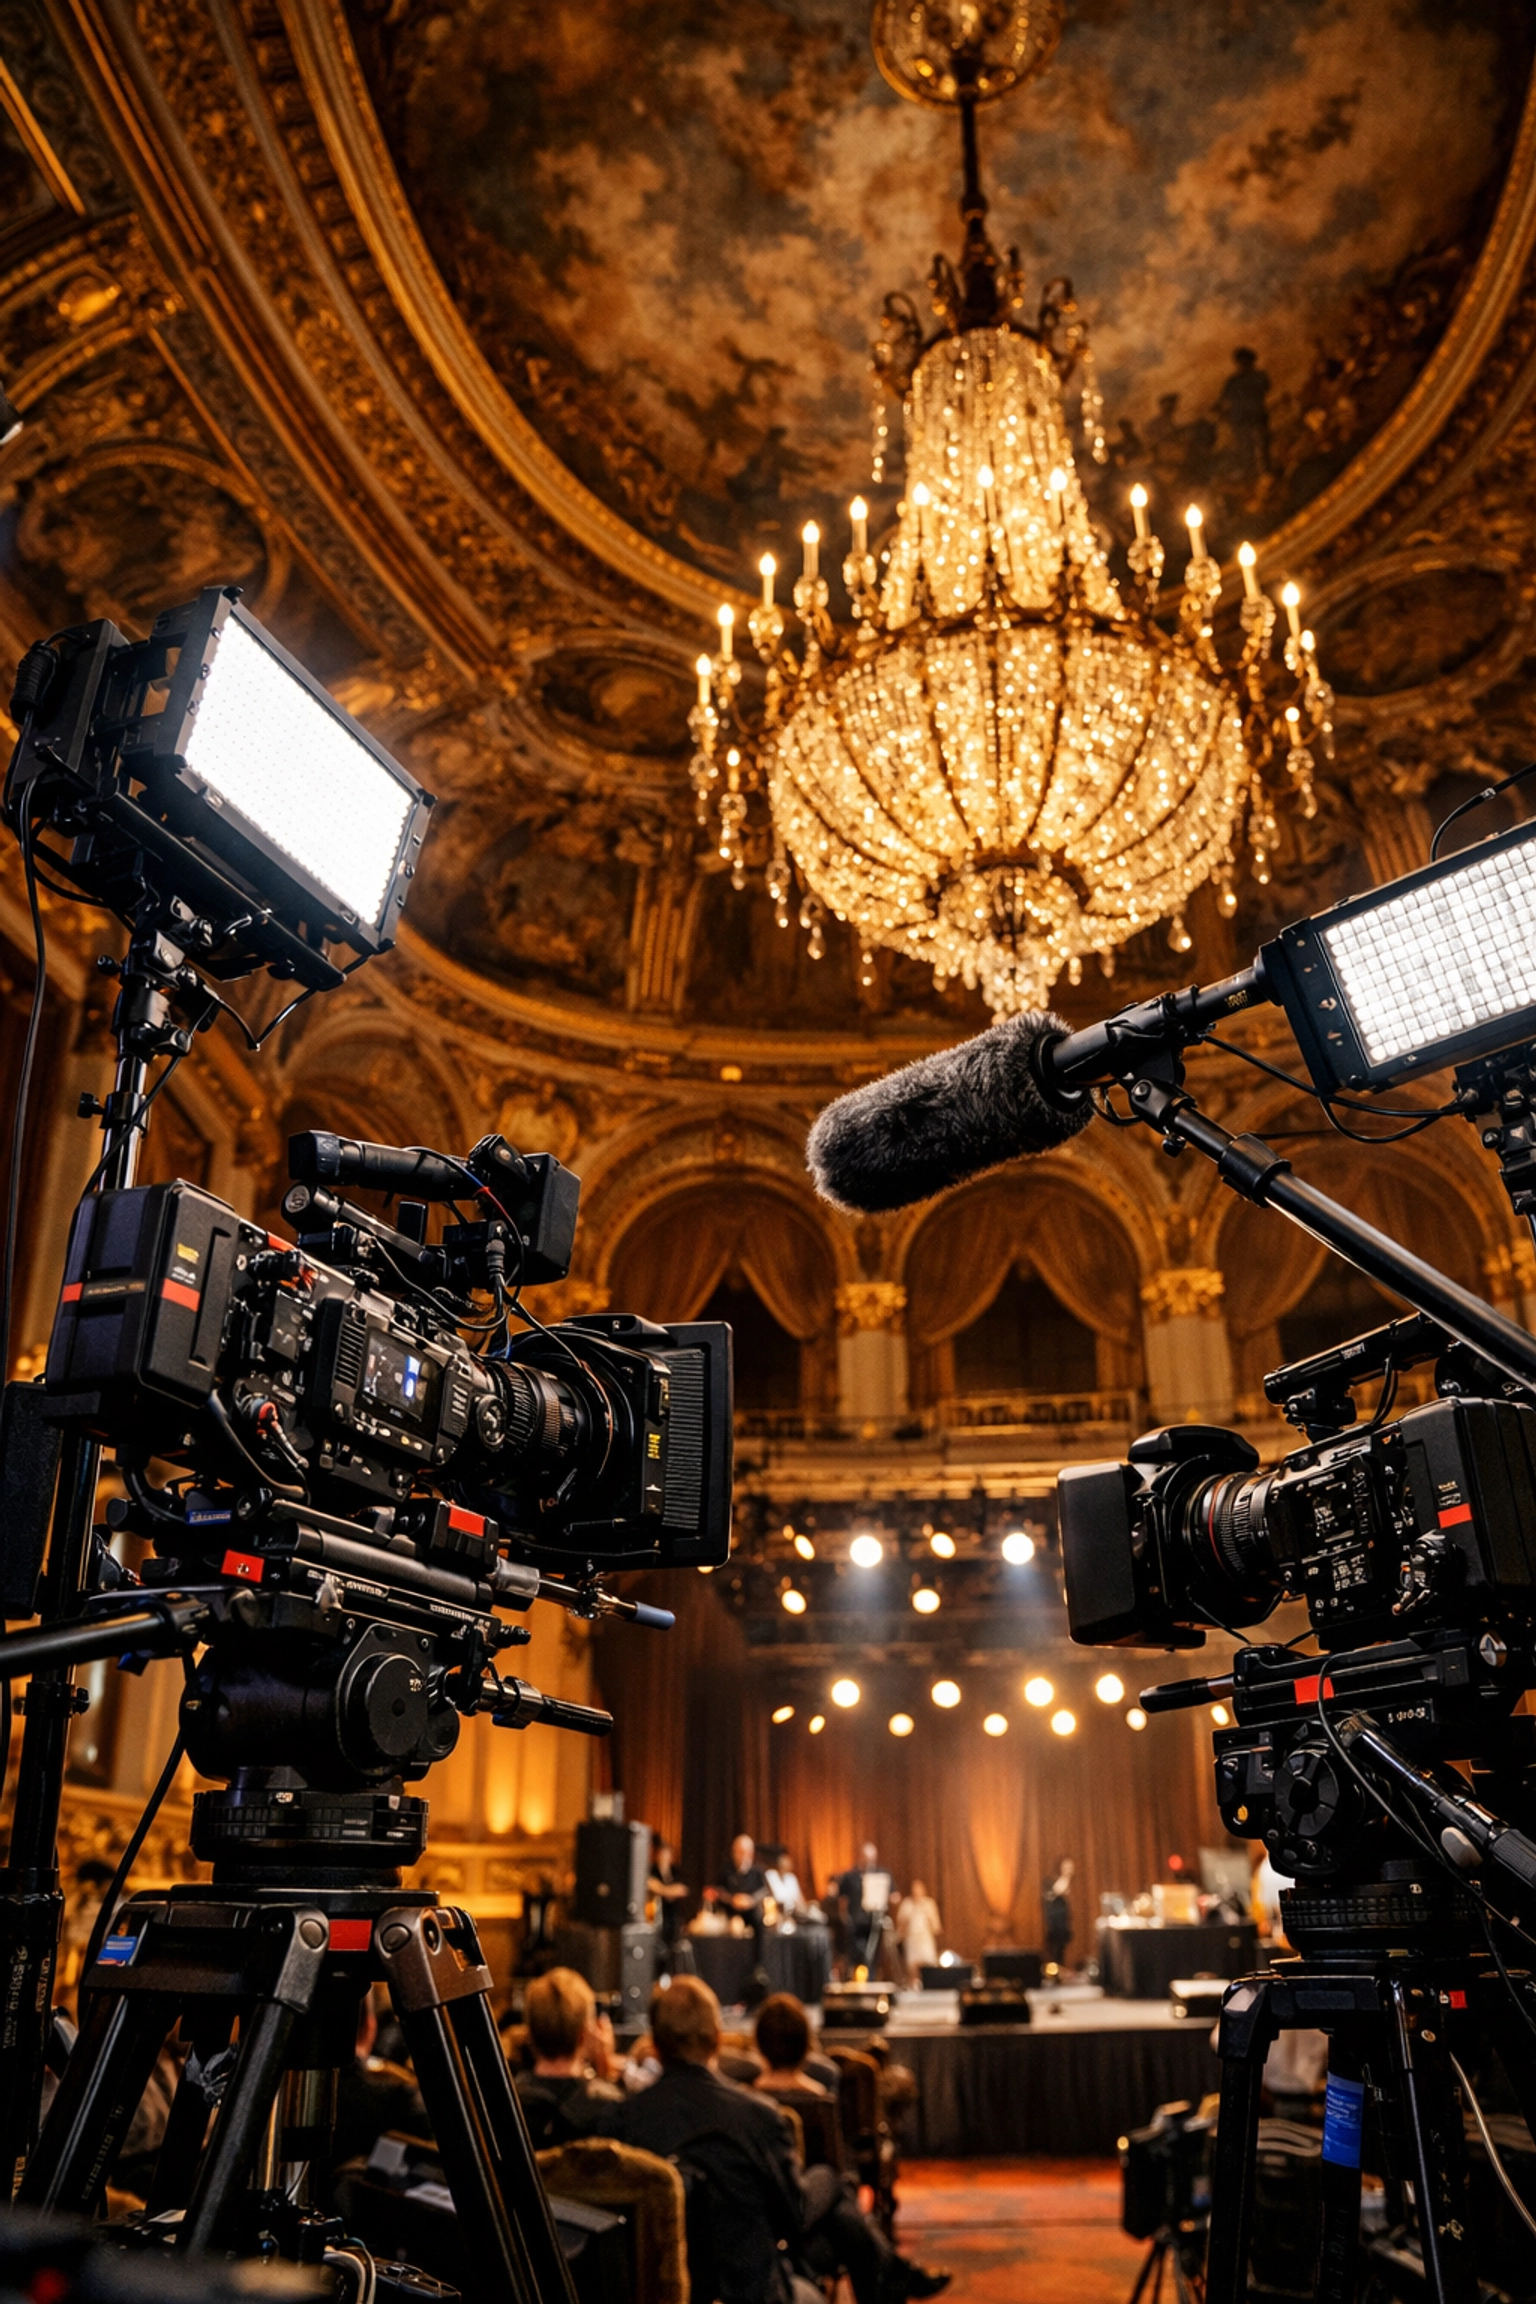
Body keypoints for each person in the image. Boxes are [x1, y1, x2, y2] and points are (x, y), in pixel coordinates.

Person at [601, 1976, 947, 2304]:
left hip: (658, 2291)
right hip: (753, 2292)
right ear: (717, 2037)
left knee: (836, 2209)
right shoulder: (758, 2116)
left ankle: (889, 2272)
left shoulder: (621, 2121)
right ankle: (889, 2276)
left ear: (656, 2043)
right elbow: (792, 2219)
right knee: (833, 2192)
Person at [512, 1967, 623, 2149]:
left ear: (529, 2032)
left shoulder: (506, 2105)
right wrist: (606, 2070)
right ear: (584, 2034)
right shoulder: (607, 2110)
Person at [837, 1842, 890, 1977]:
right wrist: (845, 1919)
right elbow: (842, 1900)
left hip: (874, 1923)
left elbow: (894, 1895)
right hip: (855, 1923)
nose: (869, 1862)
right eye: (867, 1859)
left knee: (872, 1957)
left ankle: (869, 1983)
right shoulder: (850, 1877)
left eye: (872, 1859)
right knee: (856, 1956)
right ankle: (854, 1983)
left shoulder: (881, 1874)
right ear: (861, 1857)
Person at [718, 1832, 769, 1960]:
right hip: (730, 1912)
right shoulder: (725, 1870)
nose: (743, 1855)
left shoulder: (757, 1871)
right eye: (740, 1851)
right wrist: (732, 1899)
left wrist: (751, 1900)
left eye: (746, 1852)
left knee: (760, 1925)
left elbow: (764, 1891)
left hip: (751, 1912)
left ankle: (759, 1965)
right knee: (734, 1929)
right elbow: (717, 1891)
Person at [649, 1837, 689, 1960]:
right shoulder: (652, 1870)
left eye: (666, 1853)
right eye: (661, 1853)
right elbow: (651, 1885)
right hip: (656, 1918)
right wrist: (668, 1891)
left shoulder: (676, 1871)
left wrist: (663, 1890)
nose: (664, 1856)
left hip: (674, 1918)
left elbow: (682, 1890)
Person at [894, 1880, 942, 1983]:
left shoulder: (929, 1904)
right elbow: (900, 1926)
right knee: (912, 1968)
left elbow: (936, 1926)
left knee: (929, 1965)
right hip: (911, 1941)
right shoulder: (906, 1904)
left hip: (925, 1940)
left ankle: (930, 1985)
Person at [1043, 1856, 1075, 1973]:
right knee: (1054, 1951)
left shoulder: (1063, 1881)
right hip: (1054, 1923)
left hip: (1063, 1922)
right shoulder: (1052, 1881)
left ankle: (1059, 1973)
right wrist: (1066, 1876)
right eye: (1067, 1866)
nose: (1071, 1869)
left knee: (1061, 1950)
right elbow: (1058, 1890)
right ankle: (1054, 1974)